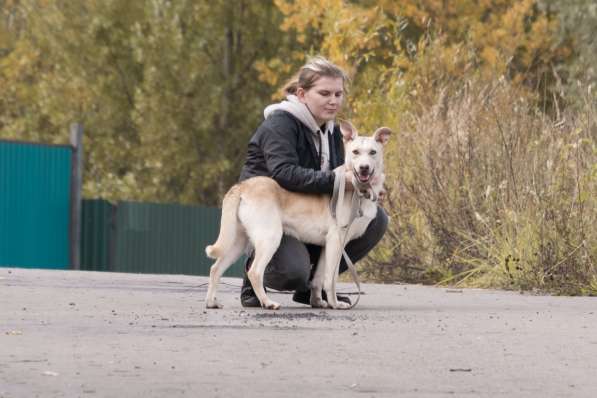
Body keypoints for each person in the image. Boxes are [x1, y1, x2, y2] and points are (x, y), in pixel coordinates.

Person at [238, 56, 388, 307]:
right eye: (325, 93)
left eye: (338, 94)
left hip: (311, 211)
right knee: (292, 271)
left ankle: (314, 286)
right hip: (270, 210)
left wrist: (365, 191)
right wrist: (341, 181)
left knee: (375, 218)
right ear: (302, 94)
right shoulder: (280, 124)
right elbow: (284, 173)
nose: (333, 101)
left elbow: (340, 178)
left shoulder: (332, 132)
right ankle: (253, 279)